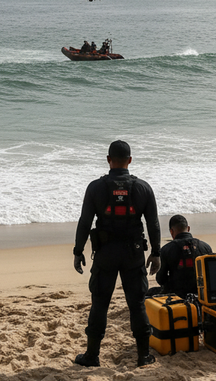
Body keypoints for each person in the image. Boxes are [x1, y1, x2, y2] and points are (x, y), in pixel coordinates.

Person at [73, 140, 161, 368]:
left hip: (106, 254)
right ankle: (143, 356)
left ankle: (92, 356)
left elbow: (85, 222)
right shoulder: (143, 188)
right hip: (133, 254)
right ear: (130, 160)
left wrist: (78, 251)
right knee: (137, 304)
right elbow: (153, 223)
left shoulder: (96, 187)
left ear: (108, 159)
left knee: (99, 304)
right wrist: (156, 252)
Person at [153, 215, 212, 298]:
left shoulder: (166, 249)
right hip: (201, 294)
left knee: (149, 292)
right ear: (188, 228)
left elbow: (161, 279)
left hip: (177, 294)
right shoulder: (205, 247)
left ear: (171, 231)